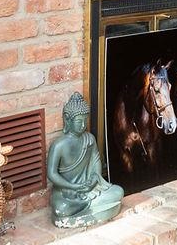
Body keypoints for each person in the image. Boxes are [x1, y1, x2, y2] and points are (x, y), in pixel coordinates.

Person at [46, 93, 123, 228]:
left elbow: (95, 162)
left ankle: (87, 204)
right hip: (66, 192)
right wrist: (72, 187)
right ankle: (88, 205)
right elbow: (52, 174)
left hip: (89, 188)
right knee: (61, 209)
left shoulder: (89, 139)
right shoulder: (59, 145)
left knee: (118, 192)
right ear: (68, 120)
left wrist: (93, 180)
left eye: (85, 120)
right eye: (78, 121)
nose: (82, 125)